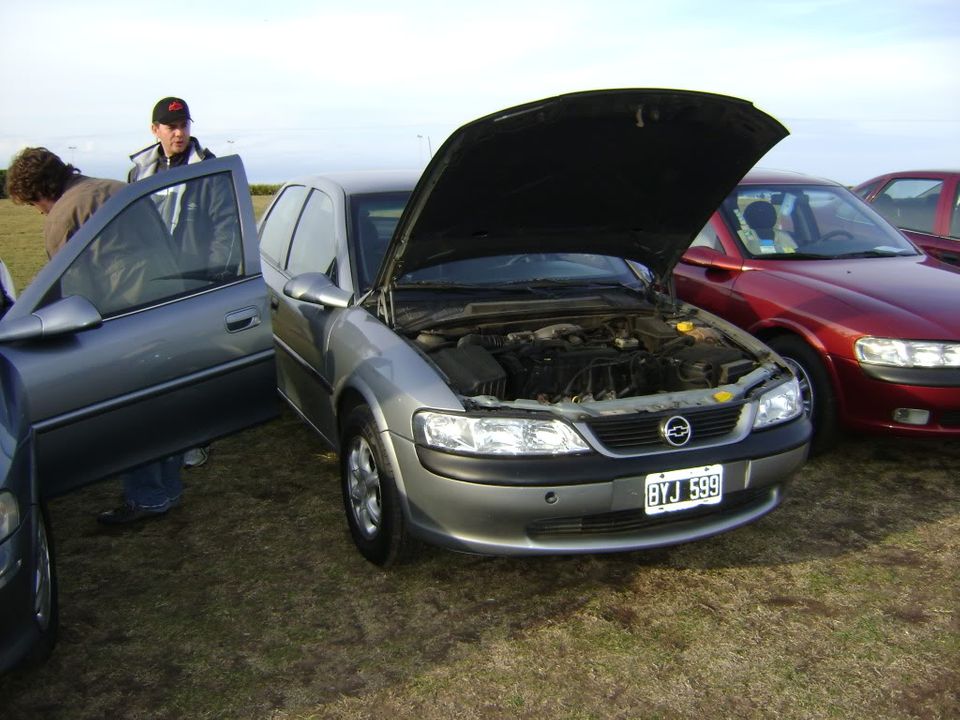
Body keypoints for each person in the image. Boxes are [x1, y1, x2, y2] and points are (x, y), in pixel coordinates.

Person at [5, 147, 184, 524]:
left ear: (39, 191)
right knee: (163, 408)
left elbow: (64, 289)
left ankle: (148, 497)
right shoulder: (118, 189)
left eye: (32, 203)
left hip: (122, 325)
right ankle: (167, 489)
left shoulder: (63, 216)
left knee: (130, 416)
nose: (37, 211)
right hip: (168, 312)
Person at [128, 96, 224, 470]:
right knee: (159, 364)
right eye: (172, 127)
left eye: (185, 125)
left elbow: (222, 228)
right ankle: (168, 435)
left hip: (193, 285)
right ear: (155, 130)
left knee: (194, 364)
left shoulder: (209, 168)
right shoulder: (139, 170)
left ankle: (196, 439)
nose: (180, 133)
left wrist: (210, 280)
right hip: (153, 283)